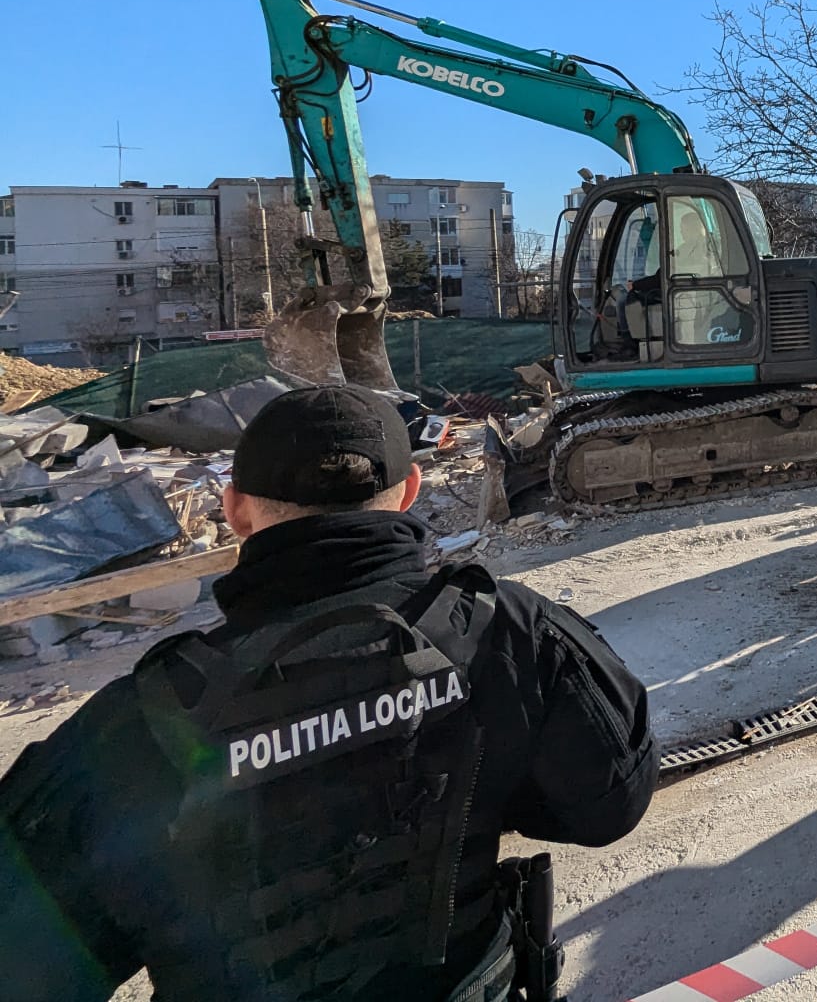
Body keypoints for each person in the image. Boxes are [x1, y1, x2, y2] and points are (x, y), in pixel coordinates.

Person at [0, 385, 656, 1002]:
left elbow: (28, 964)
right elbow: (609, 804)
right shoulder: (503, 630)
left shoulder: (143, 717)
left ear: (235, 510)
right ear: (410, 492)